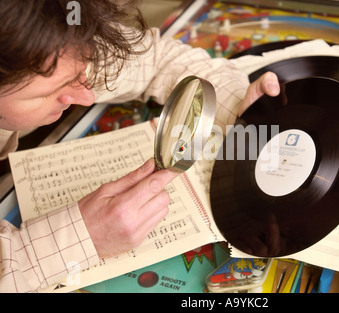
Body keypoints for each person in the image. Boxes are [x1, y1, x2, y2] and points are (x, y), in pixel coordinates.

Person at [0, 0, 280, 292]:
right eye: (52, 91)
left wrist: (240, 111)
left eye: (81, 72)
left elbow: (159, 60)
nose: (86, 96)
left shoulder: (48, 31)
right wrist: (80, 238)